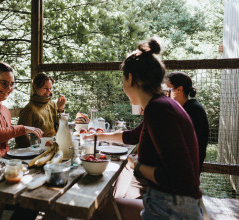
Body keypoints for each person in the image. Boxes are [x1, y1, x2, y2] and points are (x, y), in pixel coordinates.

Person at [85, 38, 203, 219]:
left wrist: (137, 166)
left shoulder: (159, 109)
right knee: (103, 206)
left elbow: (180, 178)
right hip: (168, 203)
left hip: (172, 208)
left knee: (98, 210)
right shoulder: (161, 105)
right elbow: (132, 136)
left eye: (123, 79)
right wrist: (97, 137)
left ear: (130, 78)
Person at [165, 71, 209, 174]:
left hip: (187, 171)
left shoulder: (193, 111)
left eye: (168, 88)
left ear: (179, 89)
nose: (164, 92)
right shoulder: (185, 108)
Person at [15, 72, 66, 148]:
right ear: (36, 87)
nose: (49, 91)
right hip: (33, 151)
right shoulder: (29, 109)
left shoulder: (53, 105)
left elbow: (61, 129)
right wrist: (38, 145)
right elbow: (20, 140)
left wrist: (60, 109)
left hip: (49, 147)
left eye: (50, 88)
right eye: (45, 88)